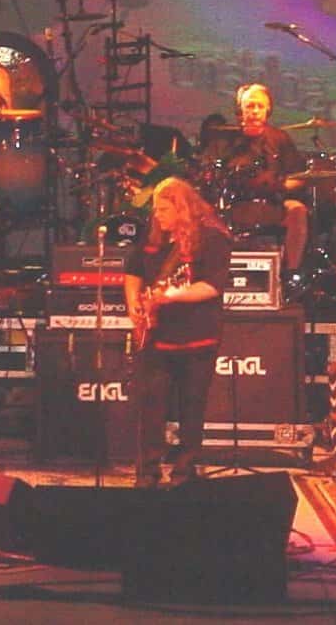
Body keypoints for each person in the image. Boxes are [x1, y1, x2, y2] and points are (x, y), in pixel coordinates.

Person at [124, 177, 232, 488]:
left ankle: (184, 472)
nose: (157, 215)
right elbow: (133, 271)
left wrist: (171, 296)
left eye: (163, 209)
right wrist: (134, 305)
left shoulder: (212, 238)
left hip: (196, 335)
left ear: (181, 208)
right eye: (155, 209)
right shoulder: (154, 235)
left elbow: (211, 285)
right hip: (156, 336)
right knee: (150, 407)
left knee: (192, 406)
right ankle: (147, 472)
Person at [200, 83, 310, 274]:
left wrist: (278, 186)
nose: (255, 111)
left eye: (260, 106)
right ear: (240, 110)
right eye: (250, 106)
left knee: (298, 210)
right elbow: (205, 174)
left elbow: (300, 177)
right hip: (232, 205)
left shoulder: (279, 138)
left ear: (268, 110)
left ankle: (290, 273)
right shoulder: (224, 139)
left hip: (272, 203)